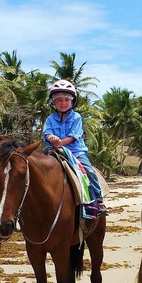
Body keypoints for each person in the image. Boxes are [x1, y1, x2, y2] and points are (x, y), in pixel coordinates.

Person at [42, 79, 107, 217]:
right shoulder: (49, 119)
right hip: (54, 151)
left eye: (66, 99)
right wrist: (50, 138)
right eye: (59, 100)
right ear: (53, 102)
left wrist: (59, 142)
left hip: (75, 152)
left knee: (89, 171)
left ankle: (99, 200)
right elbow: (46, 133)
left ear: (72, 102)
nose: (63, 103)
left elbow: (74, 136)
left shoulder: (77, 117)